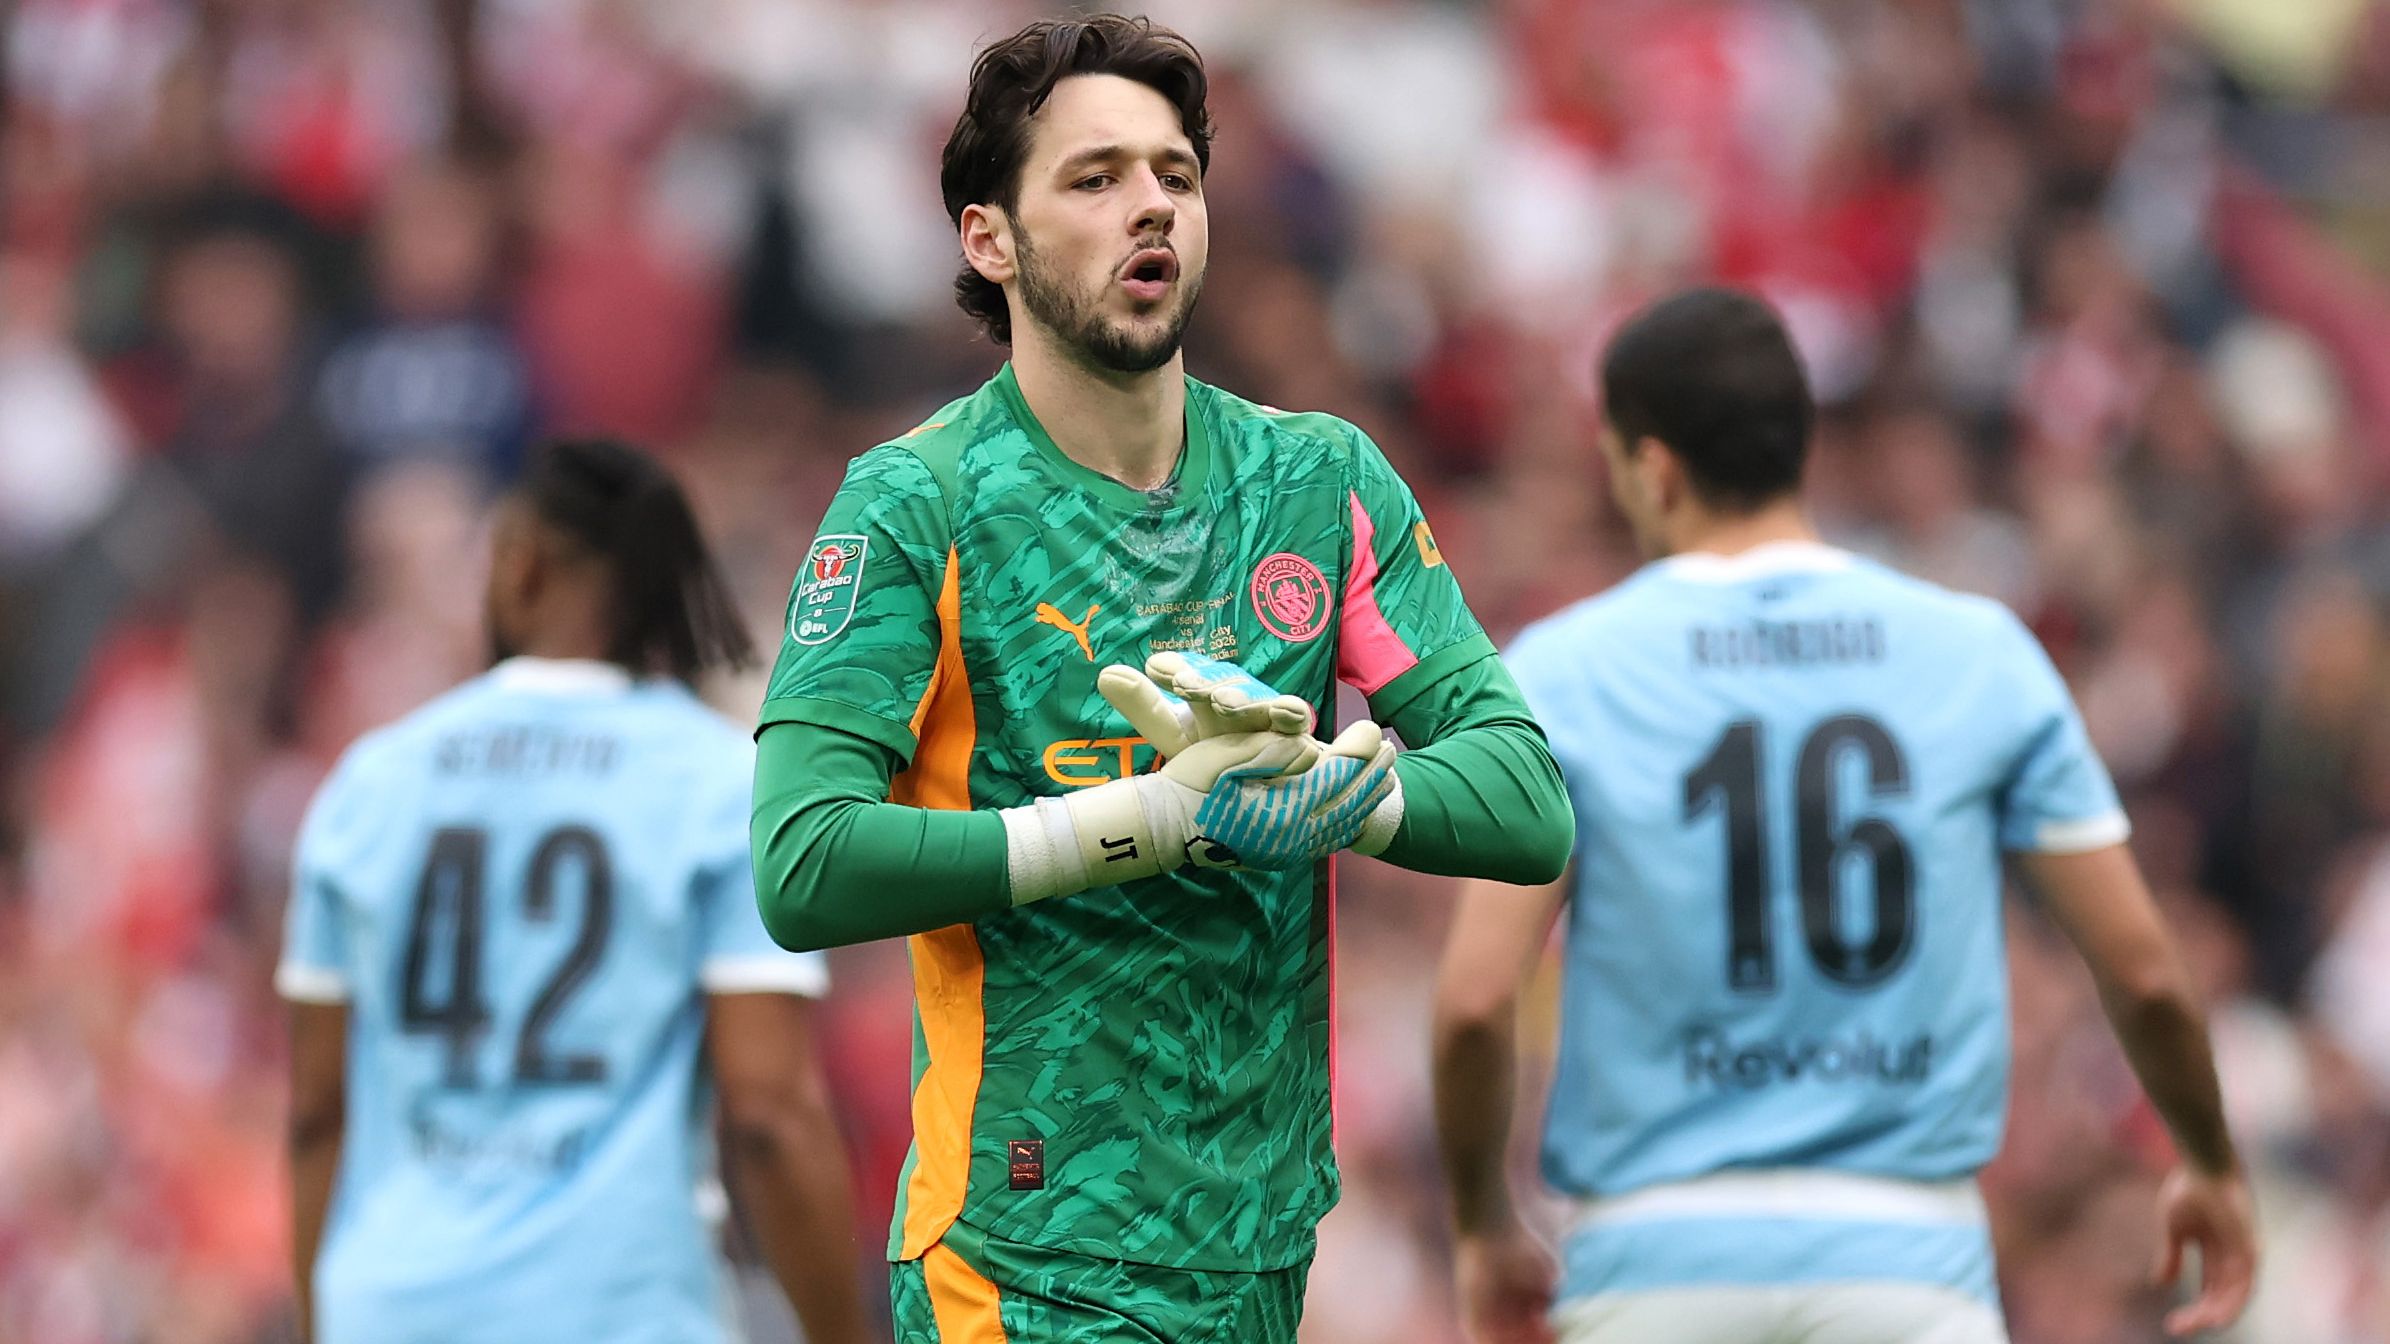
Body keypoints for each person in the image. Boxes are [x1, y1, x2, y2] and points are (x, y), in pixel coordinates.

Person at [746, 14, 1572, 1342]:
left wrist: (1336, 802)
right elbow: (802, 863)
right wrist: (1138, 827)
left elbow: (1525, 801)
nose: (1150, 206)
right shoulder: (915, 504)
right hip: (1018, 1265)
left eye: (1174, 176)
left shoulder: (1320, 482)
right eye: (1093, 178)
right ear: (989, 240)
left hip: (1259, 1262)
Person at [1430, 288, 2258, 1344]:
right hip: (1904, 1258)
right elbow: (2140, 968)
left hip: (1651, 1256)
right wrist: (2208, 1163)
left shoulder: (1562, 675)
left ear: (1650, 467)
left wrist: (1481, 1224)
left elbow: (1470, 1003)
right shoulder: (1977, 653)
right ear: (1799, 445)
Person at [280, 438, 876, 1344]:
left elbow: (319, 1112)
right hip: (615, 1309)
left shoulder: (370, 783)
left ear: (521, 566)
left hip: (392, 1308)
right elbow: (768, 1114)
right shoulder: (718, 787)